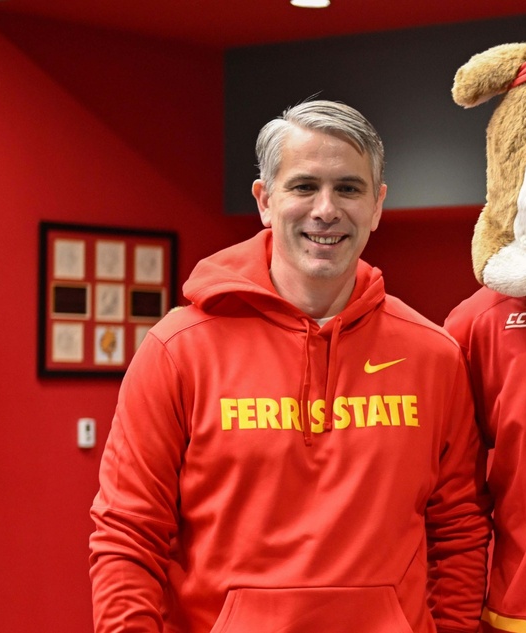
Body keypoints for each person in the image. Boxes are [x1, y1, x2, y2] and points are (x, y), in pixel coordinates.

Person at [89, 100, 490, 632]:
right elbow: (127, 534)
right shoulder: (177, 350)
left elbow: (459, 532)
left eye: (348, 188)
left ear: (377, 205)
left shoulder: (434, 355)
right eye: (304, 186)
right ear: (264, 200)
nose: (326, 209)